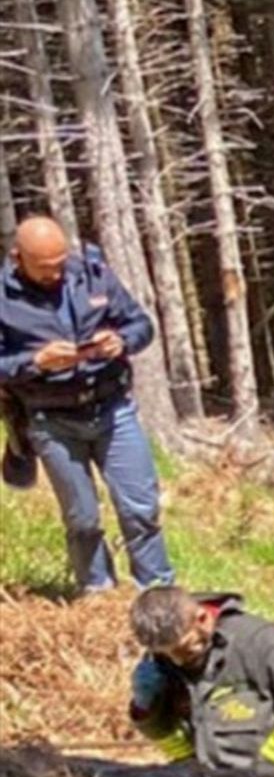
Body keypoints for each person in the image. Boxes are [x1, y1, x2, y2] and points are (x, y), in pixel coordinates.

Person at [2, 213, 167, 595]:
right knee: (82, 519)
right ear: (17, 258)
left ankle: (157, 592)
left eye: (60, 263)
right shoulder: (3, 299)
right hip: (51, 419)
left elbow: (141, 325)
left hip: (112, 408)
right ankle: (97, 593)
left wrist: (121, 341)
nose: (55, 273)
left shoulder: (93, 275)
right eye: (44, 267)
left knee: (141, 509)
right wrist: (36, 362)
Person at [127, 586, 274, 775]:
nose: (177, 661)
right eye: (167, 654)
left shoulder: (262, 643)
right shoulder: (160, 658)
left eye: (185, 649)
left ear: (202, 619)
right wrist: (147, 711)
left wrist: (267, 774)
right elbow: (174, 739)